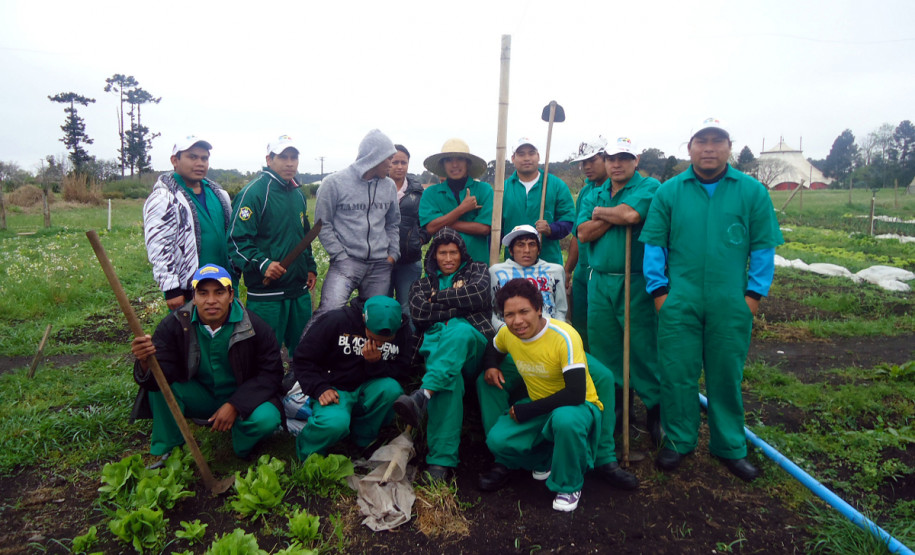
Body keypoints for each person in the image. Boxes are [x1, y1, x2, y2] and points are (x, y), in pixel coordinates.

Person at [640, 118, 783, 481]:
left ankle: (730, 446)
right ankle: (678, 440)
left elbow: (763, 248)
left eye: (717, 141)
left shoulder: (751, 192)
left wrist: (753, 296)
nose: (708, 148)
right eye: (701, 141)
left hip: (730, 301)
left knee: (726, 376)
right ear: (689, 148)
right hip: (680, 300)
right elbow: (654, 245)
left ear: (728, 148)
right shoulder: (669, 192)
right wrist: (660, 293)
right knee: (677, 374)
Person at [477, 226, 634, 488]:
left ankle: (604, 456)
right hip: (516, 345)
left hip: (555, 343)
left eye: (531, 244)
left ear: (539, 247)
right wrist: (492, 364)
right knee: (488, 382)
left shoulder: (553, 270)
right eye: (519, 245)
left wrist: (558, 334)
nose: (526, 250)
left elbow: (561, 309)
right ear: (510, 249)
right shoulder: (497, 272)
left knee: (604, 377)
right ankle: (504, 458)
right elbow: (496, 317)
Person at [130, 264, 283, 462]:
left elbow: (271, 374)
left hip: (243, 395)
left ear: (231, 295)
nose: (211, 301)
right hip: (200, 395)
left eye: (219, 292)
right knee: (161, 384)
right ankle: (170, 449)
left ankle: (241, 442)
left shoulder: (254, 327)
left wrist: (235, 405)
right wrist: (145, 361)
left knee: (267, 419)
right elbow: (161, 373)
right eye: (203, 293)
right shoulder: (175, 325)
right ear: (194, 297)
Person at [576, 136, 663, 446]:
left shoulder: (648, 186)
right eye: (611, 158)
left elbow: (631, 216)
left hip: (634, 279)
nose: (617, 164)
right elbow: (583, 233)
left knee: (642, 347)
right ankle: (617, 411)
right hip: (599, 280)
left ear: (635, 160)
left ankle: (656, 412)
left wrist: (602, 214)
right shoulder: (594, 192)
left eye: (624, 158)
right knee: (605, 348)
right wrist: (612, 213)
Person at [392, 228, 494, 482]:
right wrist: (460, 305)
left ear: (462, 254)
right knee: (450, 382)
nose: (448, 258)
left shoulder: (477, 271)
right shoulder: (421, 284)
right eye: (442, 253)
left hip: (472, 345)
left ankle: (423, 394)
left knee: (459, 330)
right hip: (436, 348)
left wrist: (438, 298)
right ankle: (440, 462)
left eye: (453, 252)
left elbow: (478, 295)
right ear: (434, 256)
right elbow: (420, 312)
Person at [291, 295, 412, 460]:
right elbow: (303, 359)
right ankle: (308, 453)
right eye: (373, 338)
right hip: (334, 387)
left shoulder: (403, 331)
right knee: (335, 424)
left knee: (392, 390)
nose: (378, 345)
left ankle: (362, 441)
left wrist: (376, 364)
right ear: (364, 319)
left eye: (385, 341)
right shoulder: (336, 321)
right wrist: (320, 388)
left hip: (369, 387)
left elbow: (402, 371)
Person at [229, 135, 317, 355]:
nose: (290, 163)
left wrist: (310, 267)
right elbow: (237, 240)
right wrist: (263, 263)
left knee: (305, 350)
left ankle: (299, 378)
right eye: (283, 157)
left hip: (298, 290)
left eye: (294, 158)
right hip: (267, 295)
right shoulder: (254, 193)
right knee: (264, 354)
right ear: (269, 160)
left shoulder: (298, 194)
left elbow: (304, 236)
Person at [313, 129, 401, 318]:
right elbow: (322, 224)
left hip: (380, 265)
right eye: (389, 158)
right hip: (346, 263)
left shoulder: (389, 186)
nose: (391, 164)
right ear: (375, 156)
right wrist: (340, 256)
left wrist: (392, 254)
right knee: (328, 314)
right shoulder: (333, 183)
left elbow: (393, 223)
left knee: (375, 318)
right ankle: (312, 340)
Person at [143, 136, 233, 310]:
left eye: (204, 158)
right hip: (189, 289)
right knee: (190, 327)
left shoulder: (220, 195)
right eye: (192, 157)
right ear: (174, 160)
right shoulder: (164, 198)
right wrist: (171, 288)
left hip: (223, 283)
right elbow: (159, 246)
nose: (200, 163)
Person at [564, 137, 609, 351]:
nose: (587, 167)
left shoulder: (618, 188)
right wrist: (568, 269)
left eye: (592, 160)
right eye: (584, 162)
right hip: (583, 270)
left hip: (605, 270)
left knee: (604, 330)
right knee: (581, 326)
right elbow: (577, 233)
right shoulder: (585, 191)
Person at [501, 137, 576, 265]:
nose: (527, 158)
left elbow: (568, 221)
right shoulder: (503, 189)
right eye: (521, 154)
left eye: (531, 153)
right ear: (513, 158)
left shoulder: (556, 185)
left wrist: (550, 229)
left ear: (538, 156)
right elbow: (496, 229)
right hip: (513, 265)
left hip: (548, 263)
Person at [419, 139, 494, 264]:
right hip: (443, 267)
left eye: (460, 159)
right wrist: (461, 209)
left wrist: (442, 222)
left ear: (468, 163)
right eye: (448, 160)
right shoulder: (430, 193)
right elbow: (430, 228)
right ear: (443, 164)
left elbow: (484, 228)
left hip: (476, 264)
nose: (454, 165)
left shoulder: (484, 190)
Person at [388, 144, 429, 323]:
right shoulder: (376, 188)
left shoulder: (418, 192)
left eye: (403, 162)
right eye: (395, 162)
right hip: (382, 261)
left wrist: (420, 239)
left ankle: (408, 340)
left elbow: (426, 221)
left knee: (407, 307)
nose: (399, 166)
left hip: (409, 260)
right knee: (383, 305)